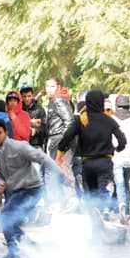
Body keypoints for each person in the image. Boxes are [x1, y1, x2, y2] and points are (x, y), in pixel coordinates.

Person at [0, 120, 62, 258]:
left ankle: (14, 254)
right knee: (11, 222)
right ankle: (32, 247)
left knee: (6, 218)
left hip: (32, 189)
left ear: (5, 133)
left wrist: (60, 174)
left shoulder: (18, 146)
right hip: (16, 192)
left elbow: (41, 157)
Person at [57, 90, 126, 215]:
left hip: (88, 163)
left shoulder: (82, 120)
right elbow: (122, 139)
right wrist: (119, 148)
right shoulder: (108, 120)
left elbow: (67, 136)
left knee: (91, 194)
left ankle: (95, 214)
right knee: (105, 186)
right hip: (105, 162)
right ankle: (105, 208)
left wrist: (60, 152)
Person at [45, 77, 76, 209]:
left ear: (58, 87)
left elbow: (69, 121)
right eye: (47, 86)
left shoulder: (58, 100)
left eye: (52, 86)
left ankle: (68, 199)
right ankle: (65, 200)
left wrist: (63, 139)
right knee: (61, 168)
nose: (49, 89)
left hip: (59, 138)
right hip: (61, 138)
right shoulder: (62, 98)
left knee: (58, 168)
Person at [20, 85, 48, 152]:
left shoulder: (39, 108)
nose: (27, 99)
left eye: (29, 96)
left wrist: (36, 130)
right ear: (21, 97)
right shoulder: (19, 108)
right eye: (24, 96)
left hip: (36, 144)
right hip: (21, 144)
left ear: (32, 95)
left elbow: (45, 125)